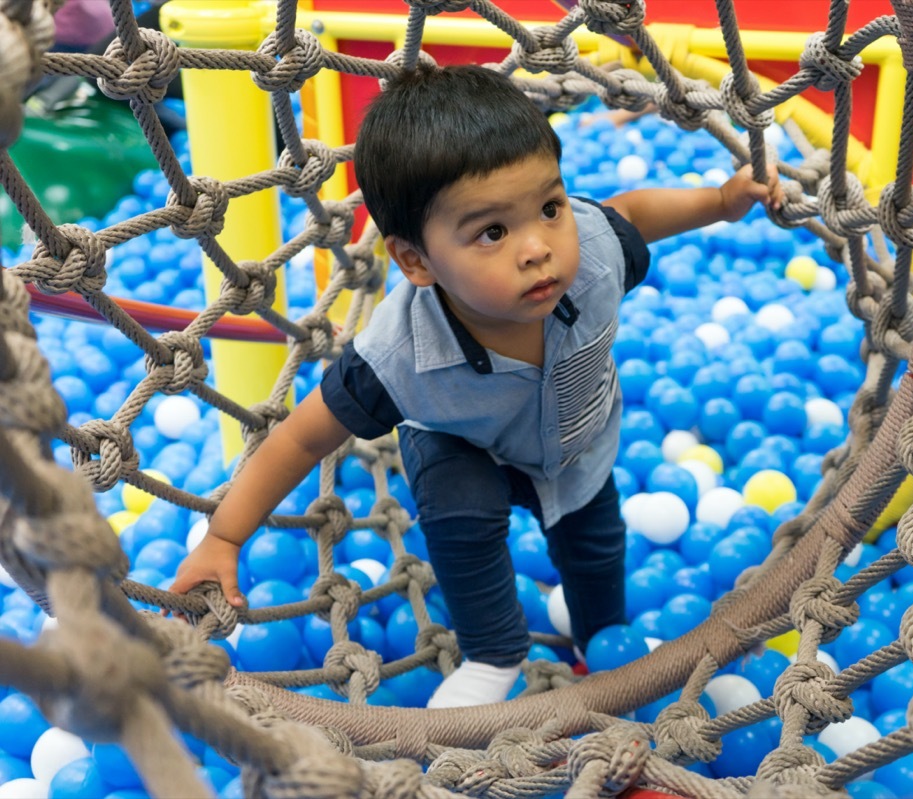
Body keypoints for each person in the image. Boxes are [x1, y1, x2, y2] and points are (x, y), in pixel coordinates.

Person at [171, 64, 782, 708]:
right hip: (464, 447)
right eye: (492, 232)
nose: (536, 248)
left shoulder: (594, 252)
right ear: (415, 262)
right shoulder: (394, 353)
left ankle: (600, 633)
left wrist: (720, 202)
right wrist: (225, 536)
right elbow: (298, 439)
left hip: (575, 444)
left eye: (549, 208)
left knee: (596, 544)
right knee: (460, 511)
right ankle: (494, 652)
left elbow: (630, 212)